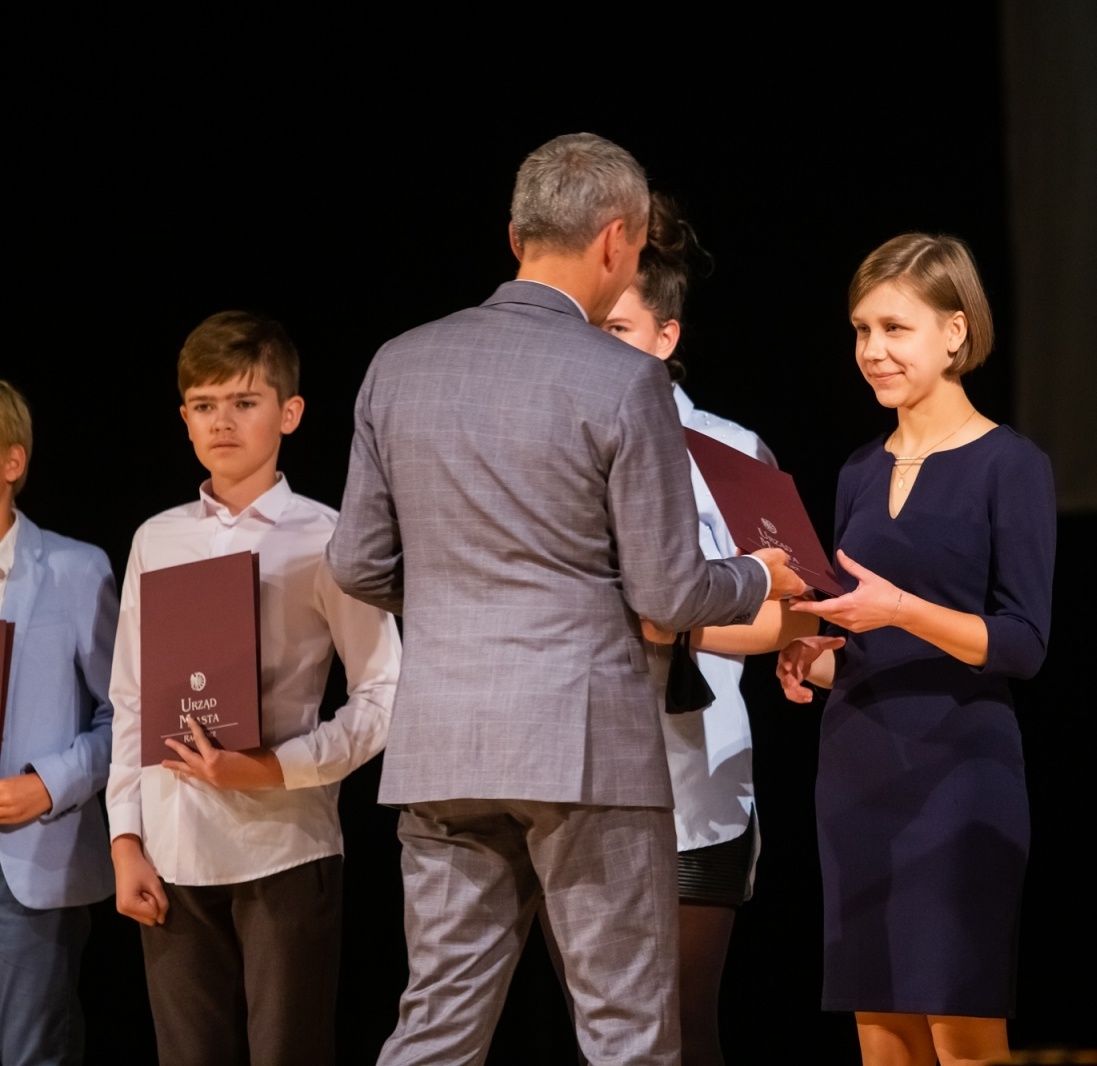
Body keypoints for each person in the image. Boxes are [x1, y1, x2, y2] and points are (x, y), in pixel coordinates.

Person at [325, 133, 804, 1066]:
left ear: (515, 235)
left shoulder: (398, 362)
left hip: (447, 743)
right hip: (585, 747)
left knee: (437, 1024)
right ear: (618, 241)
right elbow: (671, 588)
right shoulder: (624, 377)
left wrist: (463, 610)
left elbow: (356, 564)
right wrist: (761, 578)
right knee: (626, 1030)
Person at [777, 234, 1055, 1066]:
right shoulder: (859, 469)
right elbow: (862, 635)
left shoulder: (1012, 464)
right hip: (857, 773)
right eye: (862, 331)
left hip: (959, 776)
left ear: (956, 333)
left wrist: (903, 608)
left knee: (959, 1028)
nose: (873, 352)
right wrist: (814, 657)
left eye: (895, 329)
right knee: (883, 1034)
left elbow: (1023, 642)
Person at [106, 311, 402, 1066]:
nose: (222, 422)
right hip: (173, 848)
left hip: (285, 846)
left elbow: (383, 696)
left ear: (290, 412)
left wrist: (274, 767)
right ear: (183, 419)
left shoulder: (328, 536)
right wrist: (125, 840)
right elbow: (133, 698)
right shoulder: (156, 537)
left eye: (244, 402)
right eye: (204, 406)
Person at [584, 191, 819, 1066]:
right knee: (604, 1038)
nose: (598, 350)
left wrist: (673, 629)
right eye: (590, 330)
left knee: (684, 1031)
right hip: (583, 775)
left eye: (619, 331)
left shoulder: (728, 449)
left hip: (698, 783)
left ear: (667, 339)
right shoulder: (562, 444)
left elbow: (793, 607)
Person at [0, 381, 116, 1065]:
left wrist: (50, 783)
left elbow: (124, 716)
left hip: (27, 858)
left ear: (11, 463)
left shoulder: (75, 570)